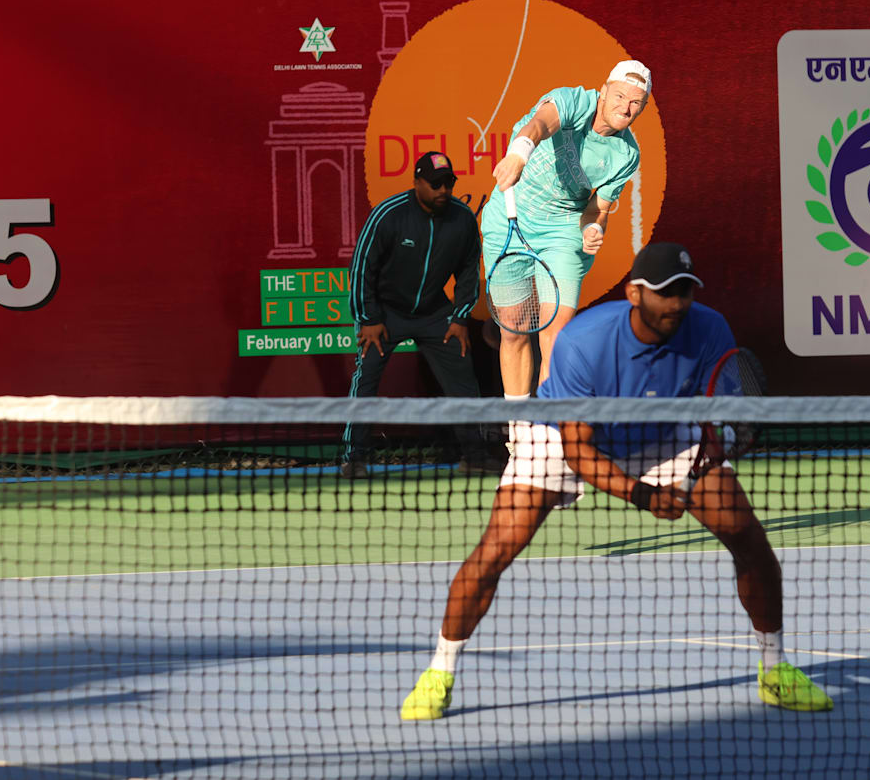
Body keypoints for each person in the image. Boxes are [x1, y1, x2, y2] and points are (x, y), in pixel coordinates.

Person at [398, 242, 834, 720]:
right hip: (563, 435)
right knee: (495, 550)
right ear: (633, 293)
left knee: (749, 538)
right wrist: (643, 495)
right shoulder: (585, 342)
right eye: (665, 292)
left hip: (664, 432)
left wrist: (710, 452)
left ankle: (775, 669)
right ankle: (439, 671)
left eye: (684, 291)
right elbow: (579, 452)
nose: (676, 303)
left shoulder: (709, 329)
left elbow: (720, 416)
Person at [484, 60, 650, 400]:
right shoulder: (572, 100)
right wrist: (518, 156)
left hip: (562, 230)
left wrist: (592, 228)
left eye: (636, 102)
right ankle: (518, 426)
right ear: (603, 92)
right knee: (513, 330)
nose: (626, 108)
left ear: (643, 107)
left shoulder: (626, 155)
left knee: (556, 337)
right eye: (620, 96)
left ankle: (548, 425)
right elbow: (539, 125)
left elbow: (597, 210)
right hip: (509, 216)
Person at [340, 152, 502, 478]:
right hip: (384, 312)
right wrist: (369, 319)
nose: (443, 190)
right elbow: (362, 269)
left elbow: (469, 271)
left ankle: (474, 456)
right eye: (435, 184)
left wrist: (460, 317)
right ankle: (353, 458)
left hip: (434, 312)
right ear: (417, 182)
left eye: (449, 184)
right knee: (366, 379)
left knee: (463, 379)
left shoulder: (462, 220)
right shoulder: (388, 214)